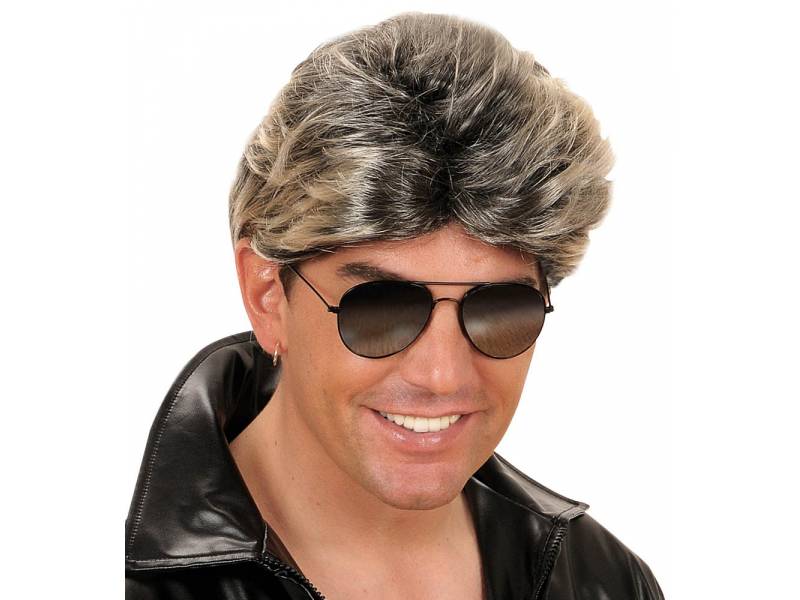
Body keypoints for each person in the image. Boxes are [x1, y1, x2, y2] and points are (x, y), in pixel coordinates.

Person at [125, 11, 665, 600]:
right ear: (267, 295)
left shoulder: (601, 582)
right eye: (380, 310)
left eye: (500, 312)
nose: (442, 375)